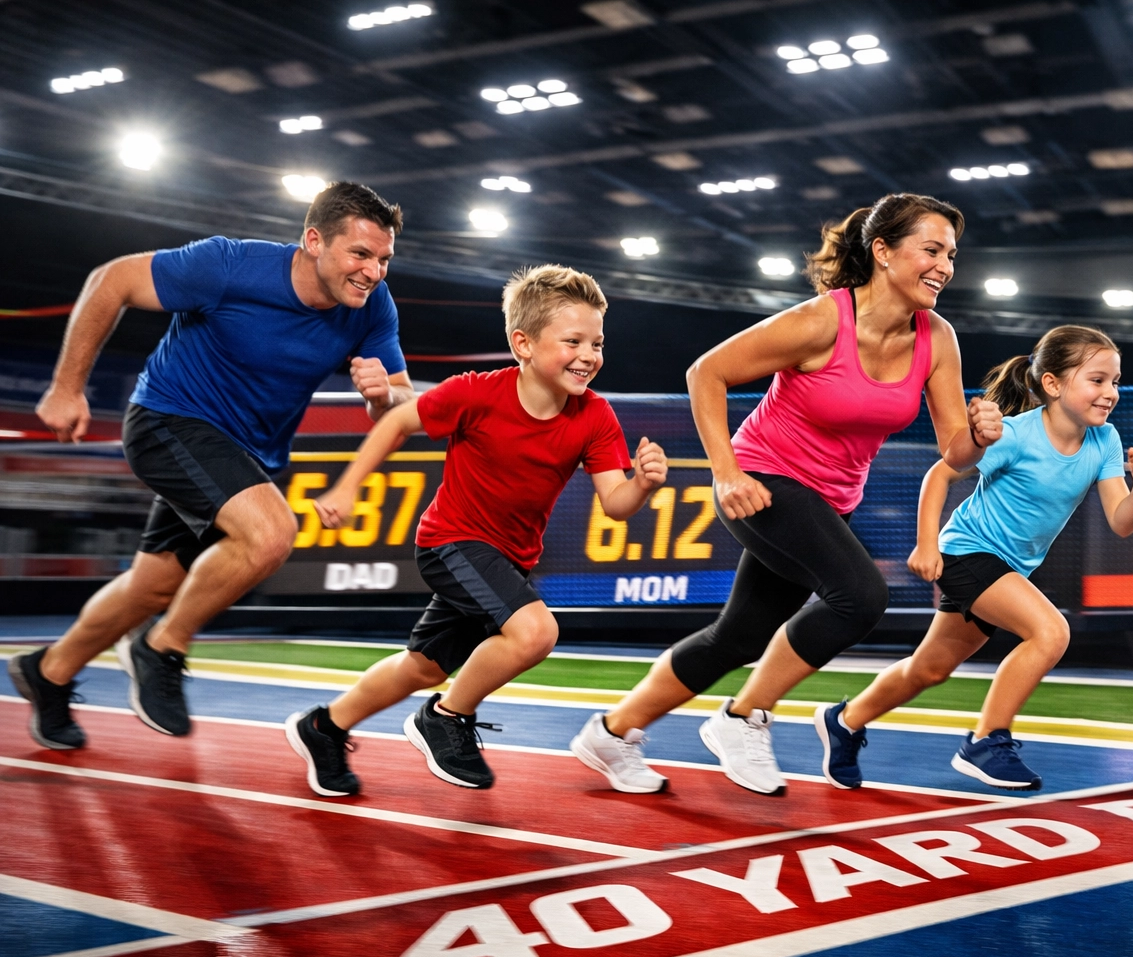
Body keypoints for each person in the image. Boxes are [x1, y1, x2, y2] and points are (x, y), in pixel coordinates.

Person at [571, 192, 1003, 796]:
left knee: (739, 635)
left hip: (830, 500)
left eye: (951, 255)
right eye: (931, 250)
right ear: (882, 252)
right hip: (764, 479)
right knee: (860, 596)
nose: (945, 267)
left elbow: (953, 448)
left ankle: (612, 732)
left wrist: (978, 438)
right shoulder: (823, 320)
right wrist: (725, 473)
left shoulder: (938, 338)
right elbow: (706, 373)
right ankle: (743, 717)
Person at [10, 183, 413, 750]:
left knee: (152, 587)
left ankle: (47, 673)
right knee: (271, 534)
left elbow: (398, 407)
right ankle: (162, 646)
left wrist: (381, 397)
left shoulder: (373, 309)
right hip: (168, 421)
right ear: (314, 241)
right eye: (361, 255)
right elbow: (112, 280)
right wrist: (66, 386)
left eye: (384, 259)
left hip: (247, 456)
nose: (374, 272)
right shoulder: (229, 265)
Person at [285, 265, 667, 795]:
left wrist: (643, 484)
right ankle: (445, 717)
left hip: (510, 558)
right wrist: (347, 488)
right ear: (523, 343)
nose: (589, 355)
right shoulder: (476, 393)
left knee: (421, 667)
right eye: (573, 340)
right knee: (535, 632)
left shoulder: (595, 416)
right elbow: (397, 420)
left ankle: (323, 727)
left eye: (597, 343)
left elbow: (616, 504)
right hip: (451, 542)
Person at [816, 328, 1133, 791]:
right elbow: (939, 476)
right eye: (1097, 380)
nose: (1110, 393)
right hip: (967, 553)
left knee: (930, 668)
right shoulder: (1015, 436)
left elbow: (1121, 521)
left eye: (1115, 382)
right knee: (1050, 631)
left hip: (1007, 568)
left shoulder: (1105, 442)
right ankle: (986, 741)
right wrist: (926, 545)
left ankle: (845, 721)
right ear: (1053, 385)